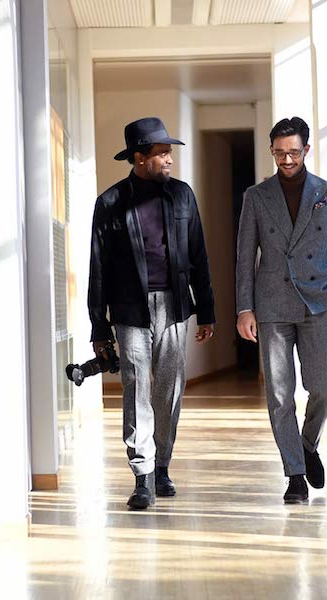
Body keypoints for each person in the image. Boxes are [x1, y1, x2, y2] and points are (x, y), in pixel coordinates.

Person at [88, 117, 216, 510]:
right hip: (129, 310)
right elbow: (99, 267)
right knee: (135, 387)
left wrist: (207, 309)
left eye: (169, 152)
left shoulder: (182, 196)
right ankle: (141, 475)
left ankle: (162, 465)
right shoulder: (110, 203)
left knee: (169, 390)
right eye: (162, 153)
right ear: (139, 157)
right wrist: (99, 325)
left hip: (175, 307)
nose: (169, 159)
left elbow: (198, 254)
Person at [235, 116, 327, 504]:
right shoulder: (256, 196)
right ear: (271, 151)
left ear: (306, 149)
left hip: (318, 302)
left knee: (324, 386)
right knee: (280, 395)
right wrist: (244, 308)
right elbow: (243, 257)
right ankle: (295, 474)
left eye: (293, 152)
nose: (286, 159)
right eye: (279, 152)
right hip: (272, 305)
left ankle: (307, 444)